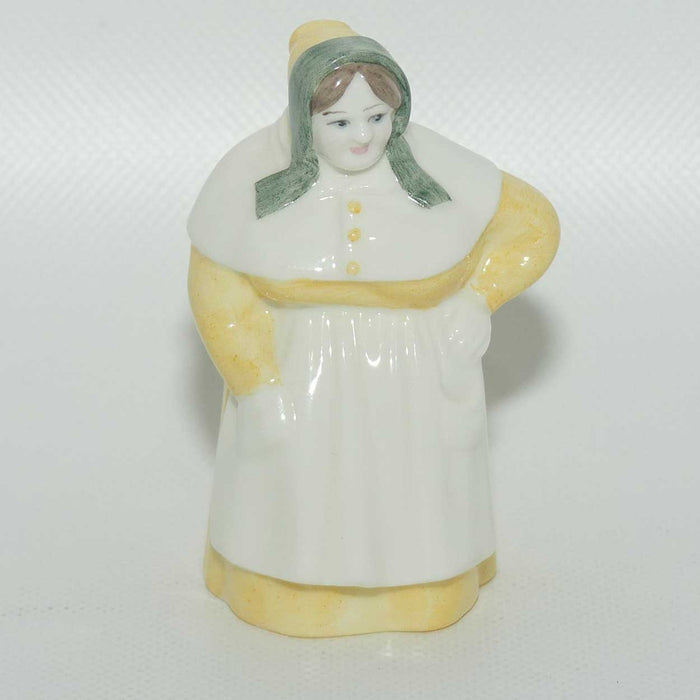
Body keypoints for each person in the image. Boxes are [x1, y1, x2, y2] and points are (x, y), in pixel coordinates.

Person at [188, 20, 559, 637]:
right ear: (304, 118)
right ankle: (285, 585)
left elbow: (534, 227)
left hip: (413, 367)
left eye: (378, 117)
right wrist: (255, 382)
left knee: (411, 489)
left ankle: (423, 582)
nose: (363, 137)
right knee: (298, 491)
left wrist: (479, 299)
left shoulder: (441, 167)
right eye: (338, 122)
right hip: (302, 367)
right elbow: (217, 288)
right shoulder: (246, 176)